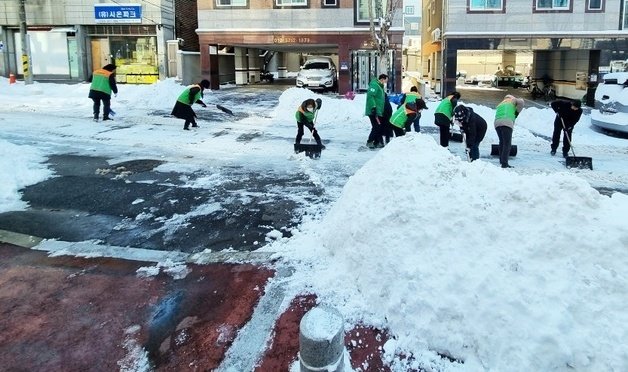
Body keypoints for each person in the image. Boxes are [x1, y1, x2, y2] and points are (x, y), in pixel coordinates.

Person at [494, 94, 524, 168]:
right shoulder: (512, 100)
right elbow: (521, 102)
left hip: (497, 123)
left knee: (502, 142)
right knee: (507, 144)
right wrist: (517, 112)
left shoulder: (502, 103)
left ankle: (501, 160)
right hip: (506, 122)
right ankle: (505, 163)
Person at [364, 74, 388, 149]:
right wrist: (373, 107)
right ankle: (370, 141)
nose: (385, 82)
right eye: (385, 81)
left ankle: (377, 142)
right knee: (377, 126)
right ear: (382, 79)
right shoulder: (375, 85)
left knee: (378, 126)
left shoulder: (380, 86)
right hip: (373, 110)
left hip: (378, 110)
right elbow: (370, 96)